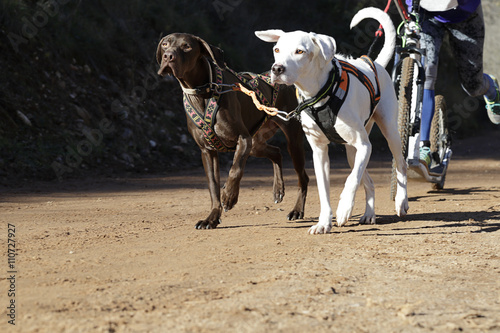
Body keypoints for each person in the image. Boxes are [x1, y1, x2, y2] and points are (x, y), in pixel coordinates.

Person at [406, 0, 500, 169]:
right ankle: (424, 147)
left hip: (464, 15)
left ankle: (491, 89)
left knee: (472, 85)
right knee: (426, 73)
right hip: (426, 14)